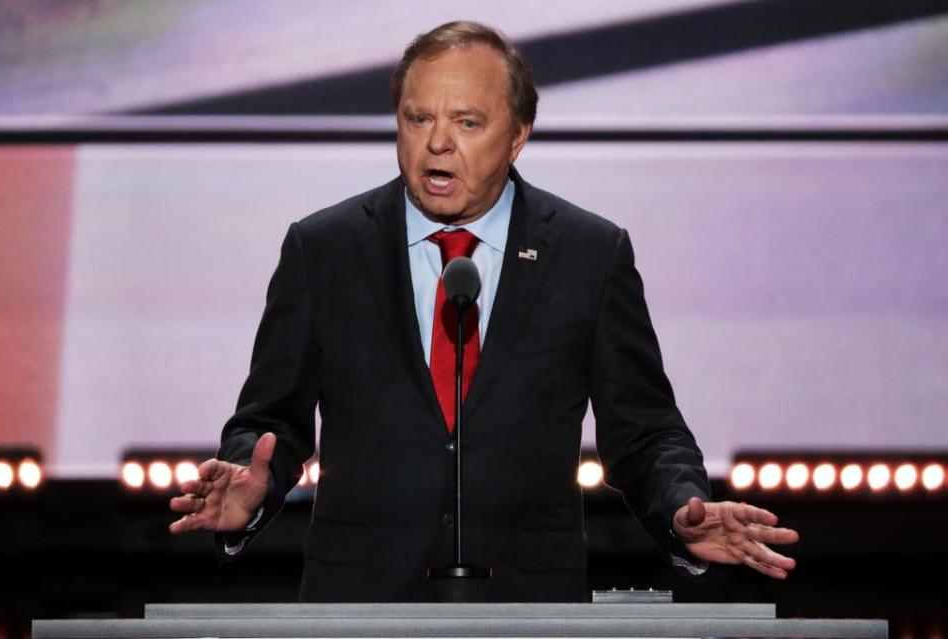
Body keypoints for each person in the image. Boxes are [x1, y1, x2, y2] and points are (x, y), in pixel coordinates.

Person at [169, 21, 798, 602]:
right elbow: (270, 418)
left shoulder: (588, 254)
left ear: (518, 136)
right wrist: (250, 488)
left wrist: (681, 505)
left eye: (467, 123)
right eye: (417, 119)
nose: (437, 142)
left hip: (529, 607)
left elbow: (645, 432)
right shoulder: (324, 249)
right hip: (359, 603)